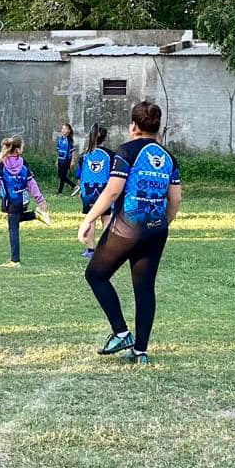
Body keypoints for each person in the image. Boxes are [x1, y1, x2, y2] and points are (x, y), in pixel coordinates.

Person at [77, 101, 182, 366]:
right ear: (157, 127)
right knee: (144, 288)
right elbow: (175, 200)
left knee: (95, 274)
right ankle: (141, 352)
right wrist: (160, 224)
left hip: (127, 227)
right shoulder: (168, 156)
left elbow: (113, 191)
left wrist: (88, 219)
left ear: (133, 126)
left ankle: (122, 333)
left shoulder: (126, 151)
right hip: (156, 229)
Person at [0, 135, 50, 267]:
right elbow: (32, 183)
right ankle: (35, 214)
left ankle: (15, 260)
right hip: (23, 199)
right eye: (22, 146)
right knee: (15, 219)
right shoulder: (23, 163)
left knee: (13, 228)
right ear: (17, 149)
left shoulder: (1, 164)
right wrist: (41, 200)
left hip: (10, 201)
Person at [76, 123, 112, 263]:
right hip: (105, 190)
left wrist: (80, 189)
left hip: (88, 190)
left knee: (90, 219)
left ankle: (91, 250)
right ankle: (106, 250)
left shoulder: (84, 155)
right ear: (105, 139)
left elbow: (79, 175)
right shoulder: (110, 155)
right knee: (106, 219)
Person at [54, 123, 75, 194]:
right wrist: (57, 160)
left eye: (65, 129)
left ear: (69, 131)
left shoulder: (69, 140)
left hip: (66, 160)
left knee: (61, 176)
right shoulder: (60, 139)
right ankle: (60, 192)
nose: (63, 130)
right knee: (61, 176)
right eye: (62, 129)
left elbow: (73, 151)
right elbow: (59, 151)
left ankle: (74, 186)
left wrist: (72, 161)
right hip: (60, 160)